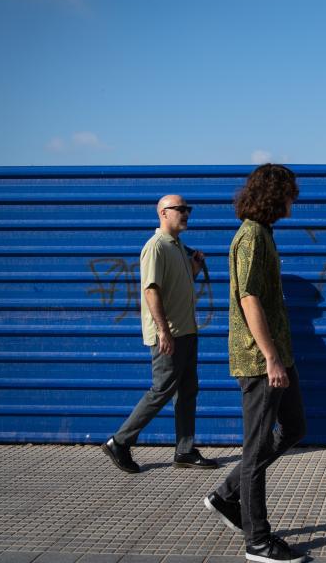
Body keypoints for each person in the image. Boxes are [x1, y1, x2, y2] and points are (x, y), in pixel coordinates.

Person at [202, 164, 308, 563]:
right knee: (257, 446)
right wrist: (270, 358)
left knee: (295, 427)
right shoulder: (250, 237)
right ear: (274, 194)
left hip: (280, 354)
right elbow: (249, 299)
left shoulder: (264, 234)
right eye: (289, 192)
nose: (293, 200)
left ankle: (227, 496)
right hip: (261, 359)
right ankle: (258, 541)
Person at [101, 195, 217, 473]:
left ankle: (185, 451)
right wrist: (163, 331)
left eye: (188, 209)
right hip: (171, 334)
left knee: (187, 391)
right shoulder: (155, 247)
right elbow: (151, 290)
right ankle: (120, 441)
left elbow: (178, 284)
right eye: (180, 209)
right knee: (162, 390)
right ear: (164, 213)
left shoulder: (177, 247)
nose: (186, 213)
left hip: (187, 331)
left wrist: (195, 269)